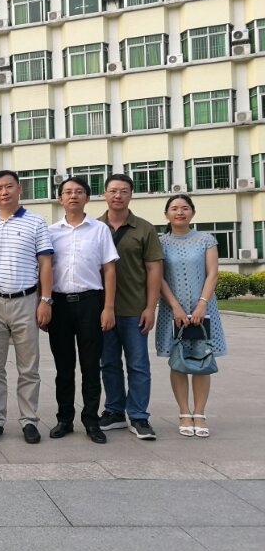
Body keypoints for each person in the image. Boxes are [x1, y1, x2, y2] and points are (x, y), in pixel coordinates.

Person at [0, 170, 53, 445]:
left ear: (19, 188)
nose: (4, 192)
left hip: (26, 301)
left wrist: (45, 300)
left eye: (9, 186)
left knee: (28, 367)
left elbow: (45, 263)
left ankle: (29, 420)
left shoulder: (36, 222)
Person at [47, 177, 118, 444]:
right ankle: (64, 419)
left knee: (91, 367)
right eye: (68, 192)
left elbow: (109, 270)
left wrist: (108, 307)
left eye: (79, 192)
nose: (73, 196)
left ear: (87, 198)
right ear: (60, 199)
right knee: (63, 367)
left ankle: (91, 420)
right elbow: (43, 269)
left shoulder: (100, 230)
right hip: (59, 305)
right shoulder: (50, 232)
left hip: (91, 303)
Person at [155, 194, 226, 438]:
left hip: (203, 310)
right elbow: (158, 277)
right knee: (179, 360)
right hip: (172, 311)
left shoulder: (206, 239)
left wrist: (201, 305)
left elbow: (212, 273)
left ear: (193, 212)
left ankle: (200, 413)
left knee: (202, 360)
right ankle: (184, 412)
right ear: (166, 214)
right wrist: (175, 306)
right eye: (174, 208)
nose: (180, 212)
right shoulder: (160, 242)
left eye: (185, 208)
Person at [98, 174, 163, 440]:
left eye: (123, 191)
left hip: (135, 309)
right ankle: (114, 411)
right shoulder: (94, 227)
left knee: (138, 365)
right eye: (113, 190)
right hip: (103, 310)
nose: (118, 195)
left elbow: (154, 270)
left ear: (131, 195)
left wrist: (150, 307)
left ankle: (138, 416)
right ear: (104, 194)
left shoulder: (144, 228)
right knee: (108, 363)